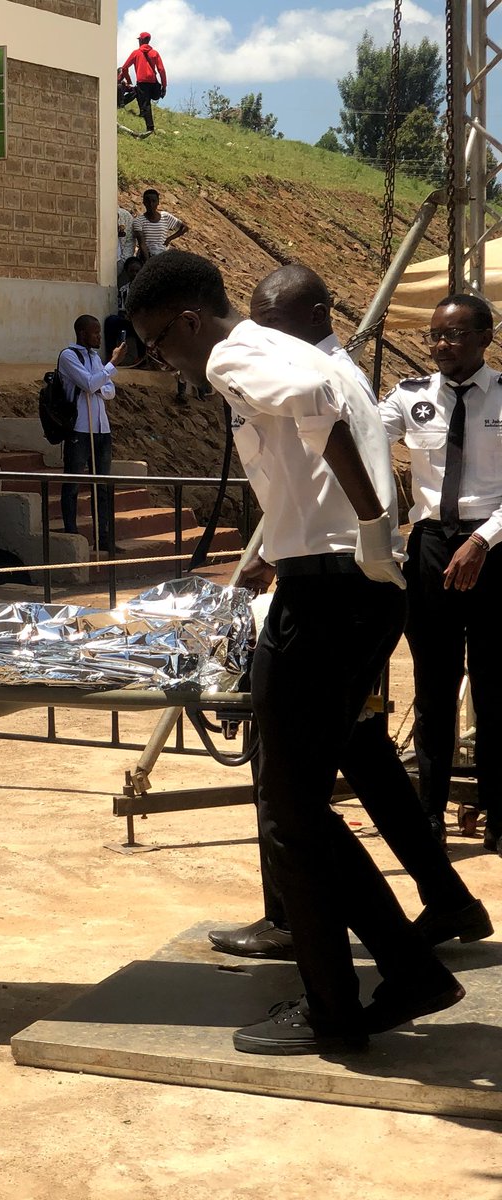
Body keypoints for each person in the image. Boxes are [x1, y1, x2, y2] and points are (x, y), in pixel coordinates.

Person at [127, 250, 464, 1055]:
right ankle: (400, 972)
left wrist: (372, 518)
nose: (160, 361)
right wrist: (303, 542)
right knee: (299, 810)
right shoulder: (312, 353)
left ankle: (337, 1006)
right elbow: (312, 437)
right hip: (347, 590)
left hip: (328, 597)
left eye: (154, 342)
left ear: (186, 321)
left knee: (288, 811)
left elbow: (316, 411)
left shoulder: (237, 353)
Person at [207, 264, 490, 962]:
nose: (262, 332)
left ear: (313, 315)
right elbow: (315, 486)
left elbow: (336, 475)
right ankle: (448, 899)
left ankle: (295, 920)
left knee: (288, 769)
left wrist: (360, 528)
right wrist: (277, 547)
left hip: (339, 589)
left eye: (271, 318)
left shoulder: (315, 378)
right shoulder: (364, 383)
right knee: (363, 751)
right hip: (362, 580)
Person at [379, 293, 502, 858]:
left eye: (453, 334)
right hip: (431, 546)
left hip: (494, 546)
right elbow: (362, 436)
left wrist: (482, 540)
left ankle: (498, 812)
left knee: (496, 686)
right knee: (433, 685)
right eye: (434, 335)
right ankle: (427, 815)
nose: (441, 344)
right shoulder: (410, 398)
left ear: (484, 337)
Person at [59, 315, 126, 549]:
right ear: (82, 333)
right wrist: (111, 366)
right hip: (80, 428)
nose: (99, 336)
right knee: (73, 482)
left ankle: (104, 537)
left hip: (101, 429)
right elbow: (89, 384)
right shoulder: (68, 356)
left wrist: (98, 382)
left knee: (102, 484)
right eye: (95, 332)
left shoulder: (95, 358)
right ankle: (71, 534)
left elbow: (109, 391)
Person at [120, 33, 167, 134]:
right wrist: (164, 86)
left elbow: (124, 68)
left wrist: (128, 81)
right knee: (145, 96)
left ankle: (150, 128)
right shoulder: (155, 53)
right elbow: (161, 70)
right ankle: (124, 105)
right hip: (153, 83)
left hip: (142, 83)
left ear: (140, 41)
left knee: (146, 104)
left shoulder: (136, 53)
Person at [104, 256, 146, 362]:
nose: (135, 274)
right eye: (132, 271)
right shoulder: (124, 290)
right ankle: (112, 354)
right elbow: (121, 309)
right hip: (128, 322)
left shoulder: (147, 289)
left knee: (141, 326)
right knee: (111, 321)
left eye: (137, 271)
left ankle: (141, 359)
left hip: (143, 322)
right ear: (127, 272)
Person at [132, 189, 186, 260]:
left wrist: (169, 239)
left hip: (162, 256)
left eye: (154, 201)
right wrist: (148, 262)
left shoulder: (165, 216)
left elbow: (184, 228)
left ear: (158, 202)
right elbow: (142, 244)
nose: (151, 204)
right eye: (148, 201)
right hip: (145, 256)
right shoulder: (138, 221)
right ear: (144, 202)